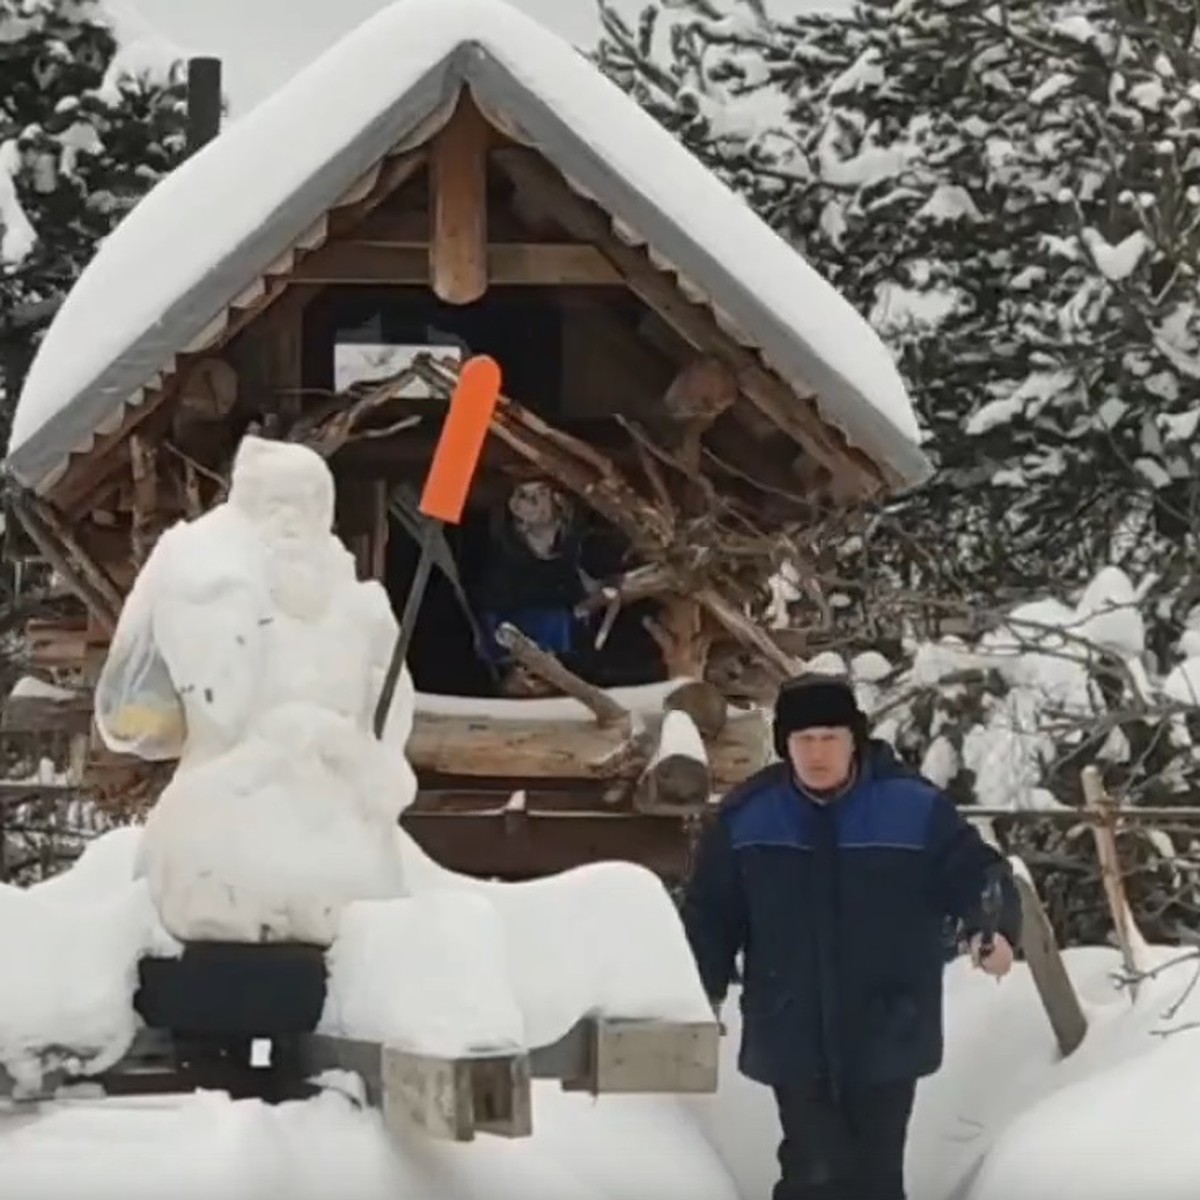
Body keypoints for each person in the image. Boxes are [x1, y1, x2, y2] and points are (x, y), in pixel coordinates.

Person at [680, 673, 1022, 1200]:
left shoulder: (913, 808)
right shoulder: (747, 818)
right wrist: (700, 992)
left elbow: (977, 873)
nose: (818, 753)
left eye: (830, 738)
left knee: (876, 1169)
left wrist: (991, 927)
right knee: (813, 1168)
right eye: (804, 740)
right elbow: (711, 913)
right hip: (790, 1018)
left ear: (854, 740)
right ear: (784, 746)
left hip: (889, 1020)